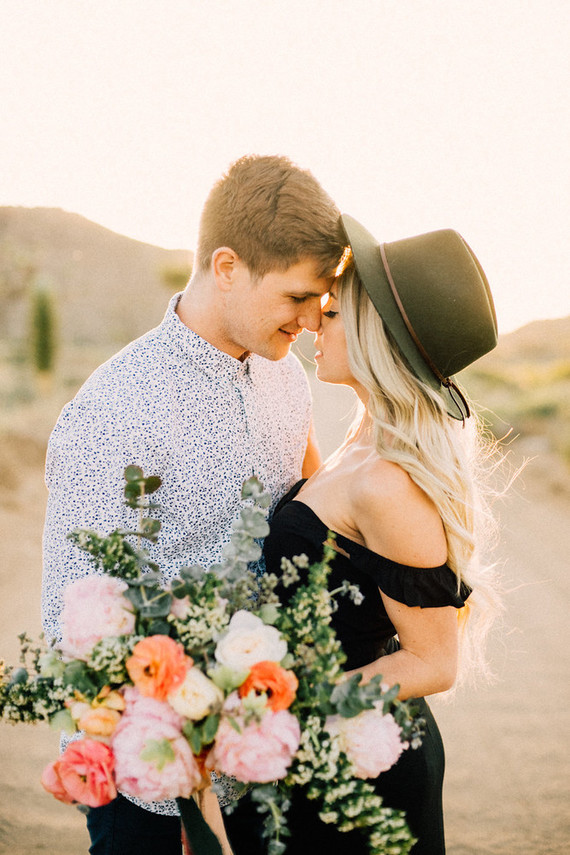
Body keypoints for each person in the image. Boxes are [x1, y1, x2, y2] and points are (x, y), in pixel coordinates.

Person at [41, 154, 345, 855]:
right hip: (150, 785)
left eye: (320, 300)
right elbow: (74, 622)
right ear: (229, 266)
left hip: (263, 764)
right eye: (297, 296)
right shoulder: (115, 408)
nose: (311, 319)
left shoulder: (288, 381)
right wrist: (183, 789)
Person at [223, 215, 503, 855]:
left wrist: (285, 708)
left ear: (378, 336)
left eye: (334, 311)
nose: (314, 322)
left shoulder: (388, 484)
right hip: (314, 751)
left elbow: (435, 662)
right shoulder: (358, 441)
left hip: (358, 769)